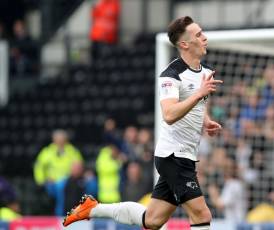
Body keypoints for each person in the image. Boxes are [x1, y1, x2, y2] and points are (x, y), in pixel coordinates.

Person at [63, 16, 223, 230]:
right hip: (173, 156)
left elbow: (195, 103)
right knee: (202, 213)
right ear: (184, 44)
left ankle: (92, 209)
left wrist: (206, 121)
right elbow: (169, 113)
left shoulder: (204, 72)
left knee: (153, 220)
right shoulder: (171, 75)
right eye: (198, 35)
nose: (204, 38)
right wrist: (199, 95)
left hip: (186, 156)